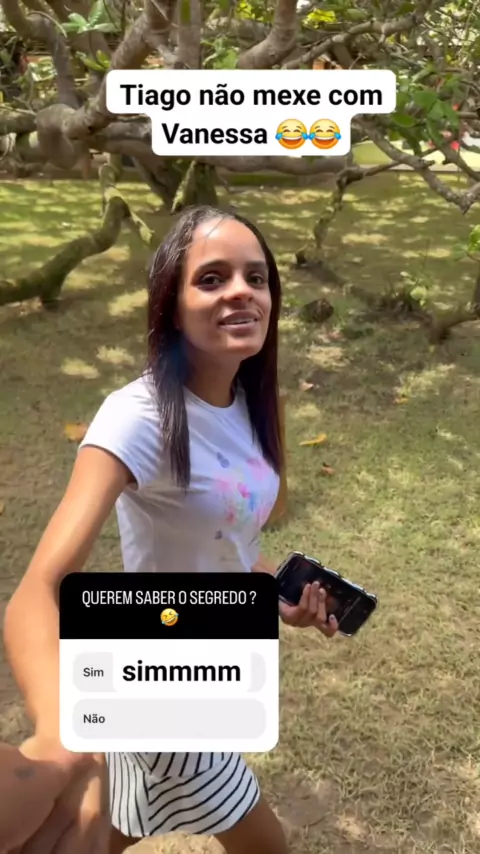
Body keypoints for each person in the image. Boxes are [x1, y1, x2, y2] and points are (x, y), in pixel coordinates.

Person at [3, 205, 338, 854]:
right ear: (171, 306)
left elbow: (226, 547)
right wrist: (59, 738)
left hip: (217, 669)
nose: (241, 291)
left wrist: (275, 594)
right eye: (212, 278)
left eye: (256, 277)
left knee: (113, 826)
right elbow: (36, 593)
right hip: (161, 678)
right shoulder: (138, 416)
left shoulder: (249, 403)